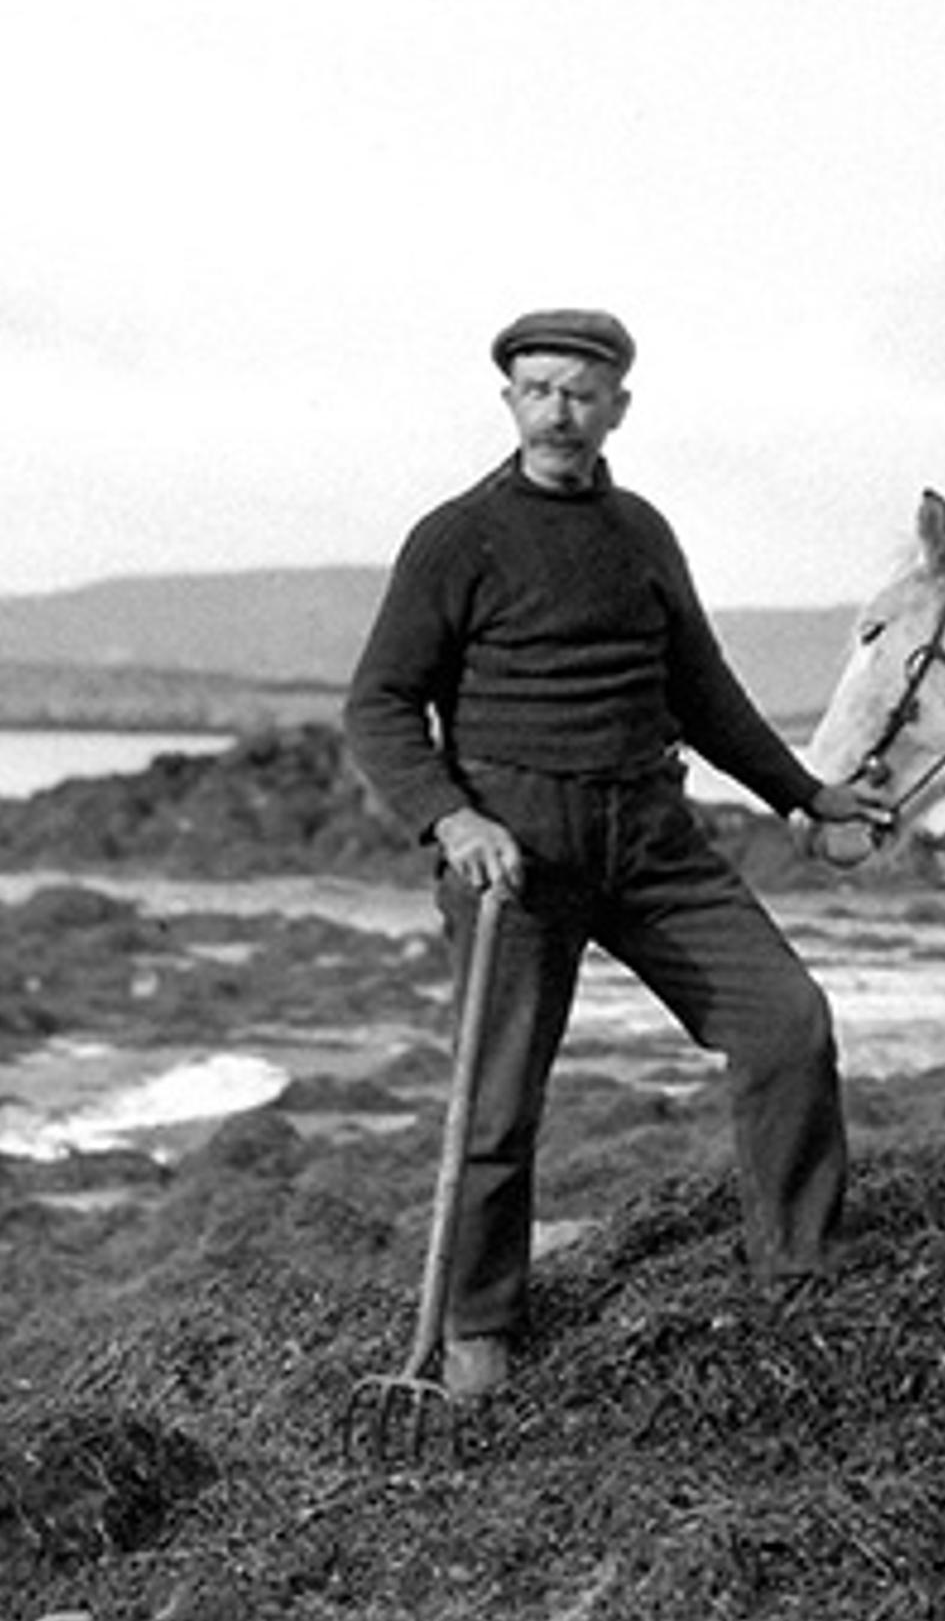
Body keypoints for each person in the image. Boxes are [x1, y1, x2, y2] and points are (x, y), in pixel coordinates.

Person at [342, 308, 898, 1402]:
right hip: (515, 851)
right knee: (499, 1101)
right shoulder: (458, 536)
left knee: (786, 1021)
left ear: (618, 408)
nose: (560, 409)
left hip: (650, 833)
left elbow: (705, 693)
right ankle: (480, 1327)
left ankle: (796, 1269)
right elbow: (381, 703)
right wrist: (454, 820)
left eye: (581, 391)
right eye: (539, 388)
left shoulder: (640, 530)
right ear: (510, 402)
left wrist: (807, 792)